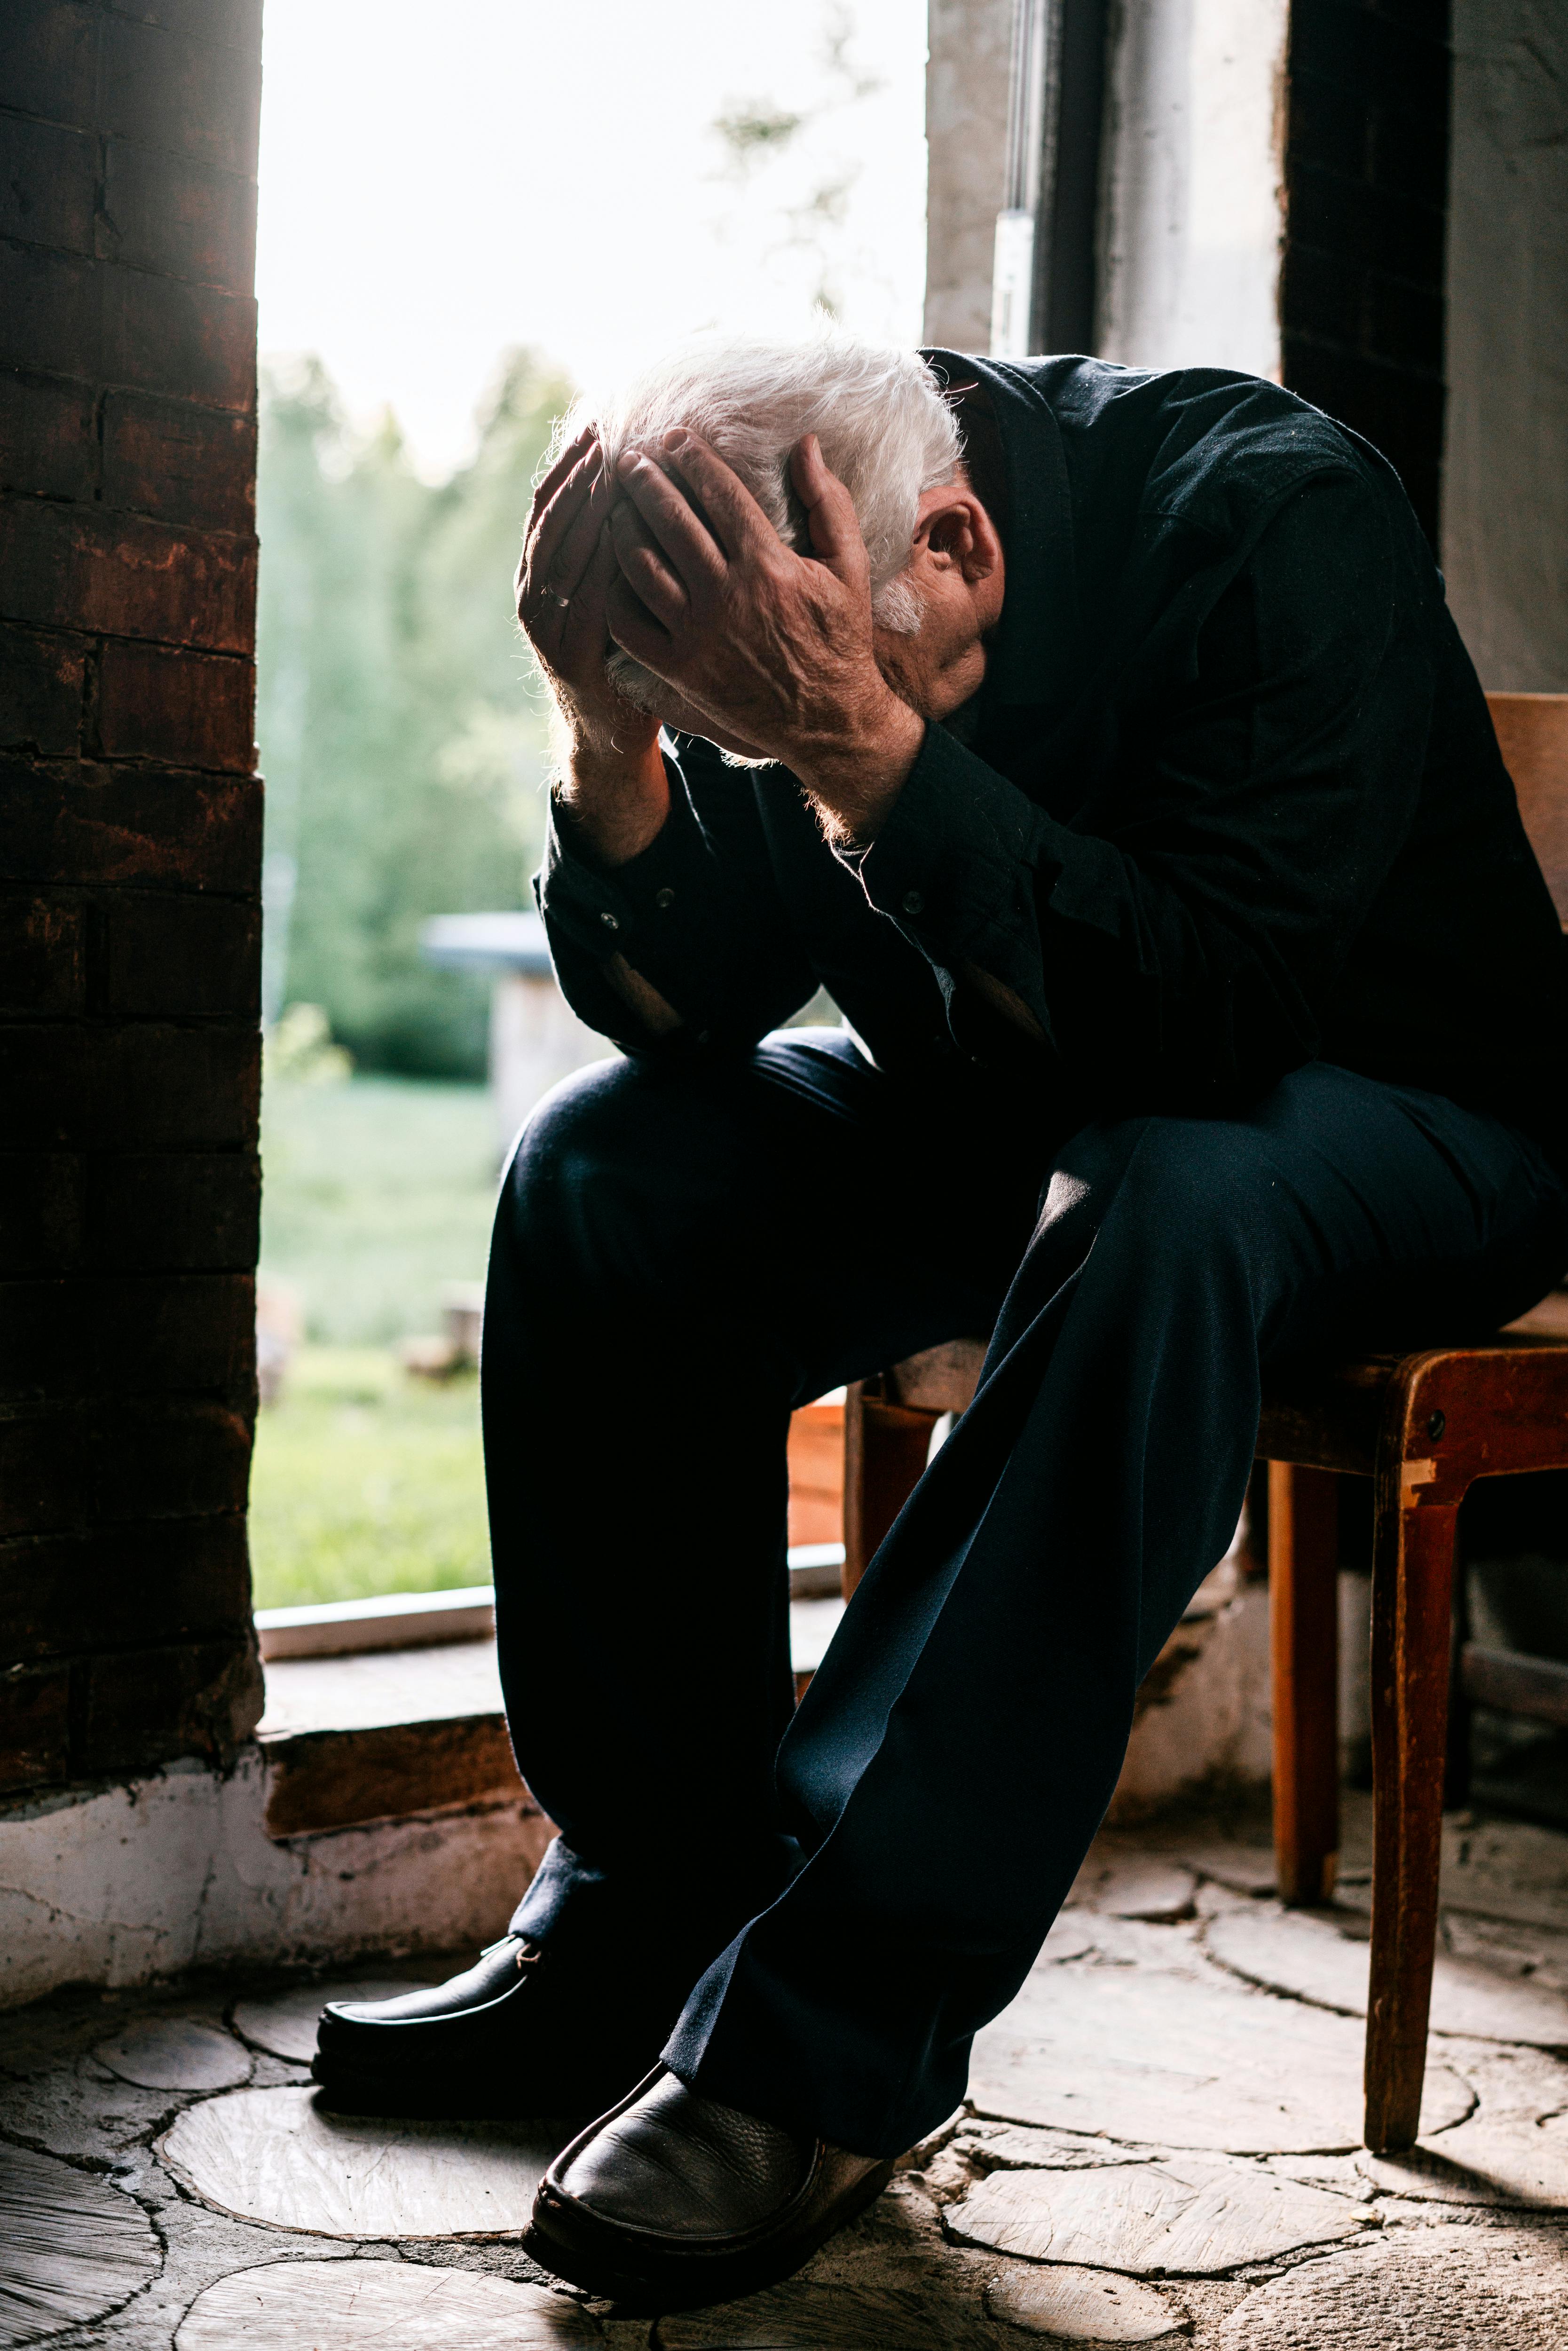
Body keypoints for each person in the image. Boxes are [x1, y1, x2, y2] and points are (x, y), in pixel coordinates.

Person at [313, 333, 1568, 2311]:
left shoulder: (1269, 511)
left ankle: (820, 2038)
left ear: (959, 543)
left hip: (1404, 1112)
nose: (765, 751)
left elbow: (1223, 1026)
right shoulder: (775, 573)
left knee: (1166, 1191)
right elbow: (688, 1004)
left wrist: (866, 759)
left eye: (773, 717)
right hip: (1035, 1113)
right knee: (603, 1173)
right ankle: (645, 1908)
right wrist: (611, 737)